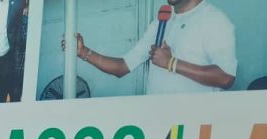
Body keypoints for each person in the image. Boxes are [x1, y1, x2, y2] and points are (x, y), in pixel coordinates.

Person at [71, 0, 236, 95]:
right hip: (157, 123)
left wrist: (171, 63)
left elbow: (226, 78)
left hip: (193, 127)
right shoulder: (162, 21)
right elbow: (122, 67)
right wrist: (83, 52)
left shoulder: (214, 19)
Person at [10, 0, 29, 102]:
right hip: (18, 61)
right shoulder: (23, 18)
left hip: (17, 60)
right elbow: (24, 38)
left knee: (16, 91)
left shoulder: (17, 17)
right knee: (16, 91)